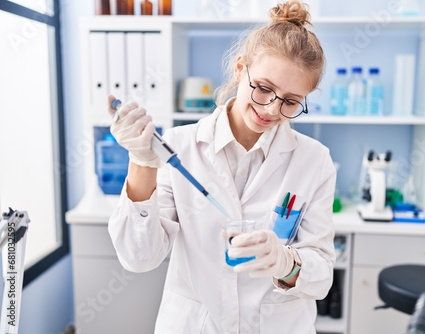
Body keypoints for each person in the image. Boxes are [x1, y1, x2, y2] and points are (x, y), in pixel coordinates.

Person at [107, 1, 337, 333]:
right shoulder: (180, 146)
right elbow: (139, 257)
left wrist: (286, 262)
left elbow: (321, 278)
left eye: (290, 101)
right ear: (240, 69)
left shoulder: (313, 160)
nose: (272, 109)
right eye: (264, 88)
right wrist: (143, 162)